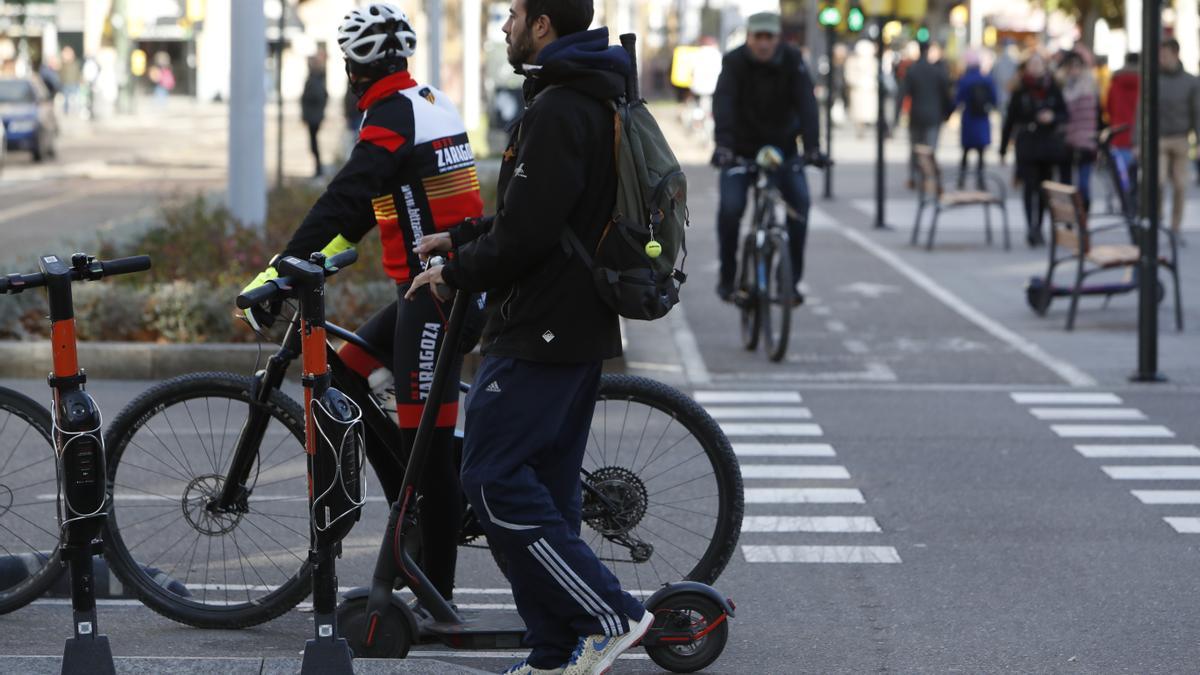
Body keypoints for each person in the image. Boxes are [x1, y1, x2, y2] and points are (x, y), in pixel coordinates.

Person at [407, 0, 651, 672]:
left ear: (544, 24)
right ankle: (555, 649)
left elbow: (530, 235)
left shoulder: (560, 108)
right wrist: (461, 238)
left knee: (488, 478)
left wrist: (455, 271)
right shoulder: (582, 96)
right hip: (573, 322)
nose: (505, 25)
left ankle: (611, 613)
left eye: (514, 13)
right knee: (545, 490)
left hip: (541, 327)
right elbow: (538, 212)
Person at [240, 2, 481, 606]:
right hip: (434, 291)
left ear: (353, 68)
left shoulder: (391, 114)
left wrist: (279, 269)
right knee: (345, 373)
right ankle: (417, 511)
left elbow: (345, 195)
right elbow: (378, 203)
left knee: (427, 448)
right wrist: (320, 256)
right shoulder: (426, 99)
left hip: (442, 298)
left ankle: (439, 594)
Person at [710, 11, 821, 304]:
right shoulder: (734, 62)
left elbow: (808, 104)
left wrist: (813, 147)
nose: (763, 44)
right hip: (740, 151)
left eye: (768, 37)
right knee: (731, 209)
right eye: (757, 37)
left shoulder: (793, 60)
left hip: (783, 151)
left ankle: (789, 283)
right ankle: (729, 279)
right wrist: (723, 146)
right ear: (749, 37)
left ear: (778, 38)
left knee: (800, 205)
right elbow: (724, 104)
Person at [999, 52, 1068, 247]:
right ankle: (1031, 227)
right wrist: (1003, 150)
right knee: (1029, 187)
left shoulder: (1053, 88)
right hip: (1027, 145)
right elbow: (1010, 121)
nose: (1036, 67)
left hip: (1047, 146)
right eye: (1032, 64)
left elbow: (1064, 114)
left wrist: (1053, 117)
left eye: (1039, 64)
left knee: (1045, 189)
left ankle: (1039, 225)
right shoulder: (1020, 90)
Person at [1155, 38, 1200, 244]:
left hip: (1181, 138)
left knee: (1181, 185)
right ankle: (1157, 221)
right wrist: (1137, 141)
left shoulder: (1191, 81)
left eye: (1164, 54)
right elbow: (1142, 109)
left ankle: (1175, 226)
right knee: (1158, 181)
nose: (1161, 59)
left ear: (1175, 54)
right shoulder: (1154, 79)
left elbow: (1197, 112)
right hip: (1159, 139)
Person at [898, 40, 952, 187]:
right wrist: (947, 114)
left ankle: (914, 177)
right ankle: (928, 178)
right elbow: (947, 95)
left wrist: (897, 116)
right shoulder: (937, 71)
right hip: (933, 116)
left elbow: (903, 93)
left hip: (916, 115)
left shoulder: (913, 70)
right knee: (930, 149)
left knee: (915, 148)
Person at [1060, 50, 1100, 212]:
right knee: (1067, 183)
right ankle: (1071, 216)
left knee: (1084, 183)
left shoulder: (1091, 86)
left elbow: (1099, 114)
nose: (1074, 70)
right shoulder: (1062, 86)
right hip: (1067, 141)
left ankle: (1083, 213)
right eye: (1071, 66)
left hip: (1087, 141)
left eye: (1077, 66)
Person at [953, 49, 998, 189]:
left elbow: (958, 99)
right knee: (981, 153)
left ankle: (961, 180)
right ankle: (981, 181)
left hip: (969, 119)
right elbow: (995, 100)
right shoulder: (987, 79)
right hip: (982, 119)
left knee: (965, 152)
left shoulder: (965, 79)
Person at [1105, 52, 1140, 202]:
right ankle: (1135, 204)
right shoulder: (1145, 82)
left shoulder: (1116, 82)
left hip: (1119, 135)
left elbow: (1108, 107)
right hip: (1139, 137)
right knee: (1137, 176)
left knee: (1121, 177)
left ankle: (1126, 205)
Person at [301, 57, 329, 178]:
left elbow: (319, 97)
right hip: (313, 116)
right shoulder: (315, 79)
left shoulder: (315, 80)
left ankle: (319, 169)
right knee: (313, 144)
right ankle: (318, 168)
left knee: (314, 144)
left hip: (314, 117)